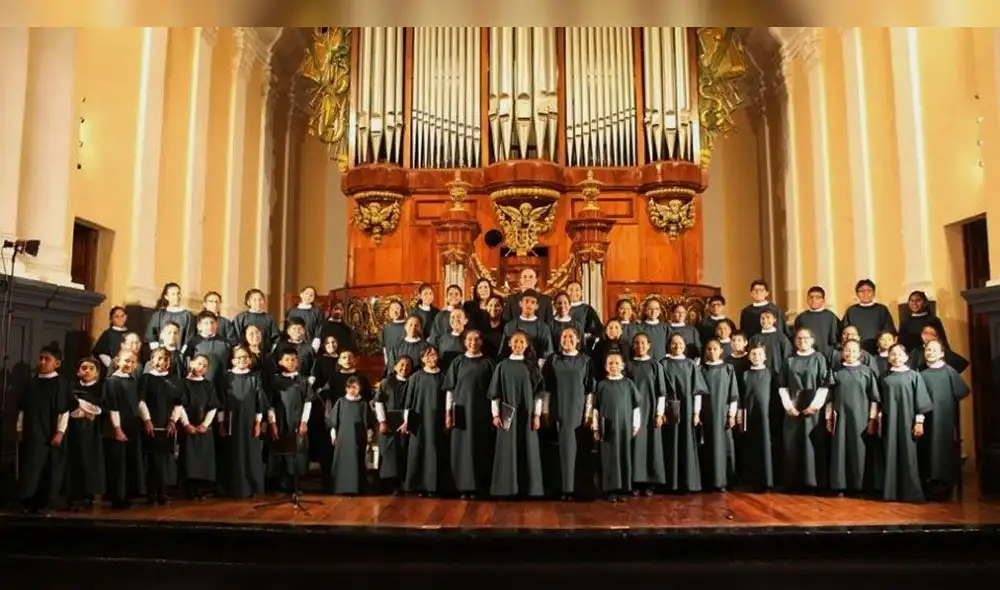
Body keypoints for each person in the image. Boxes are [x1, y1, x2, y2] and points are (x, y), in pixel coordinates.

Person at [15, 343, 74, 514]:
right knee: (30, 468)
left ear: (57, 363)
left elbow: (64, 411)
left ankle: (46, 501)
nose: (42, 362)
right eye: (40, 358)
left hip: (51, 432)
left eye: (47, 359)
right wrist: (19, 430)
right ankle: (27, 500)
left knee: (49, 467)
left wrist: (60, 432)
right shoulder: (32, 384)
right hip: (32, 432)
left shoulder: (62, 384)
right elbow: (23, 409)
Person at [489, 331, 545, 498]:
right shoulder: (502, 366)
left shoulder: (533, 367)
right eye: (515, 342)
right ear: (509, 344)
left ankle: (530, 489)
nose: (518, 345)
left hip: (528, 415)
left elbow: (539, 394)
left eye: (521, 342)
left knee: (529, 448)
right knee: (507, 449)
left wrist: (537, 415)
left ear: (526, 345)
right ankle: (506, 489)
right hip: (508, 414)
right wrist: (495, 414)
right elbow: (495, 393)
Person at [541, 326, 594, 500]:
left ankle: (575, 488)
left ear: (578, 340)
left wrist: (588, 414)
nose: (568, 340)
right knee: (557, 450)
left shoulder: (585, 361)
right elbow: (546, 388)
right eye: (564, 337)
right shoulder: (552, 360)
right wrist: (546, 411)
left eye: (571, 337)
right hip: (557, 410)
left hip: (577, 411)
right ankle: (559, 488)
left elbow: (589, 390)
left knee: (577, 449)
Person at [778, 328, 832, 492]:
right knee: (793, 445)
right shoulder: (789, 360)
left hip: (812, 410)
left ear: (812, 340)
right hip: (793, 410)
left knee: (811, 445)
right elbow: (782, 385)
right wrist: (788, 406)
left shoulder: (819, 358)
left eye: (806, 338)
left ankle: (814, 482)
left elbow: (824, 385)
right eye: (799, 338)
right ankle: (794, 483)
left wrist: (814, 407)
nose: (802, 341)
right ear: (795, 341)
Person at [445, 331, 497, 499]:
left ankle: (479, 487)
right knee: (461, 448)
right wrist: (448, 413)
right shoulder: (457, 362)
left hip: (481, 411)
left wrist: (494, 414)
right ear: (464, 342)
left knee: (480, 447)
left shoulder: (489, 363)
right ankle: (462, 487)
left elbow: (495, 392)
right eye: (469, 339)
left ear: (481, 342)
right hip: (460, 410)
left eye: (476, 339)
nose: (473, 342)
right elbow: (450, 390)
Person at [878, 344, 932, 503]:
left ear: (906, 357)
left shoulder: (914, 375)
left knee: (909, 456)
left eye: (900, 354)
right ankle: (891, 493)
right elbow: (879, 400)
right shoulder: (884, 377)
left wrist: (919, 422)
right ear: (888, 357)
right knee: (890, 454)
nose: (896, 357)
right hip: (890, 422)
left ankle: (912, 493)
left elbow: (921, 400)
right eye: (892, 354)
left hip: (908, 421)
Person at [918, 339, 971, 501]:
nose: (930, 353)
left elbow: (962, 391)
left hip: (945, 417)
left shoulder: (949, 372)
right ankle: (929, 482)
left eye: (934, 350)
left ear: (942, 353)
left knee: (943, 448)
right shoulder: (921, 374)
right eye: (928, 350)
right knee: (928, 448)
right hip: (927, 418)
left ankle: (945, 482)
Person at [828, 340, 880, 497]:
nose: (850, 354)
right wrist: (828, 418)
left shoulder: (867, 372)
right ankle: (840, 485)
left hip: (861, 418)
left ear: (860, 353)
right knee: (840, 449)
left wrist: (872, 419)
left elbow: (874, 398)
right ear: (843, 352)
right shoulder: (836, 372)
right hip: (841, 417)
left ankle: (859, 485)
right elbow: (829, 397)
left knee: (859, 451)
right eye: (847, 351)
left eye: (854, 351)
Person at [218, 346, 267, 499]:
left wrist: (258, 423)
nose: (242, 360)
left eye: (245, 357)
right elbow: (220, 402)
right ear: (233, 360)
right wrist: (220, 423)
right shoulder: (227, 378)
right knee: (232, 454)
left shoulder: (254, 378)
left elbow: (260, 402)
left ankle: (251, 487)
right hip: (231, 420)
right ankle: (231, 488)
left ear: (250, 360)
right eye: (238, 357)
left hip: (249, 421)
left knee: (250, 454)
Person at [660, 333, 707, 492]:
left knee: (686, 442)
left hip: (687, 409)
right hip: (669, 409)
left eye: (680, 343)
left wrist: (696, 413)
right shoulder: (663, 364)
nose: (677, 346)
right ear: (669, 346)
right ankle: (670, 483)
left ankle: (687, 483)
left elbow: (697, 391)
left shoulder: (691, 364)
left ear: (684, 346)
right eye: (673, 343)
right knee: (670, 443)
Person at [592, 351, 641, 501]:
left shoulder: (628, 384)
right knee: (608, 457)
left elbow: (636, 406)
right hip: (607, 426)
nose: (614, 366)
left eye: (617, 363)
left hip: (624, 426)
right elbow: (596, 408)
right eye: (610, 363)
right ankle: (610, 489)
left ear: (623, 366)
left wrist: (635, 425)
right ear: (606, 367)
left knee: (624, 455)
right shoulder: (601, 385)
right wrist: (595, 427)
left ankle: (624, 489)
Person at [265, 348, 314, 492]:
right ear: (280, 362)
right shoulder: (274, 380)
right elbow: (270, 403)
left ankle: (296, 483)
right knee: (279, 449)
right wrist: (272, 423)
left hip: (297, 419)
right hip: (280, 420)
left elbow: (308, 401)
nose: (291, 362)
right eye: (287, 359)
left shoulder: (303, 381)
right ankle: (279, 482)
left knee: (298, 450)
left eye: (293, 359)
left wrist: (304, 421)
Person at [140, 348, 183, 504]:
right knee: (152, 460)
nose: (162, 362)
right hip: (151, 423)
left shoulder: (174, 379)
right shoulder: (145, 378)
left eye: (165, 359)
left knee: (165, 460)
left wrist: (173, 420)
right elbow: (141, 400)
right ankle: (151, 494)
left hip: (167, 424)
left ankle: (163, 492)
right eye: (158, 358)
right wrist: (147, 420)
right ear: (151, 360)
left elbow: (178, 403)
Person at [625, 333, 667, 496]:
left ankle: (650, 483)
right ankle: (634, 481)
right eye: (636, 343)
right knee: (634, 446)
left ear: (649, 345)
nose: (640, 346)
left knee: (651, 445)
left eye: (643, 343)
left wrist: (659, 413)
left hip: (650, 411)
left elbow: (661, 391)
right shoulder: (628, 366)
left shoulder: (656, 366)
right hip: (632, 411)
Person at [402, 346, 446, 496]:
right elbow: (409, 400)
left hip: (436, 419)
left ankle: (433, 486)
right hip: (418, 419)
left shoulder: (443, 377)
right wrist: (406, 421)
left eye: (433, 355)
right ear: (422, 359)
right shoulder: (415, 377)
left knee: (434, 450)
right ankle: (418, 485)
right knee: (418, 450)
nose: (431, 358)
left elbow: (448, 399)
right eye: (427, 355)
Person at [104, 350, 146, 509]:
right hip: (120, 425)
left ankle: (129, 494)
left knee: (131, 460)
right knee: (118, 462)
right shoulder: (112, 382)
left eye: (133, 362)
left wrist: (146, 420)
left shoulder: (133, 381)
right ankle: (117, 496)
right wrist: (117, 428)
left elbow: (138, 403)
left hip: (133, 424)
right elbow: (113, 407)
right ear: (117, 361)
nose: (130, 365)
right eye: (126, 361)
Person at [178, 354, 220, 500]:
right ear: (191, 364)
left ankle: (200, 489)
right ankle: (189, 489)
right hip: (188, 426)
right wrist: (186, 424)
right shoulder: (183, 383)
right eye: (199, 364)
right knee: (189, 459)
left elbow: (213, 406)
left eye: (205, 366)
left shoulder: (208, 385)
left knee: (203, 459)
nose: (201, 368)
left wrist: (205, 424)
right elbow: (180, 406)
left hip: (203, 428)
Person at [66, 357, 105, 509]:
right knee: (73, 461)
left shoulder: (101, 388)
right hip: (73, 430)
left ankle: (88, 495)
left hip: (91, 432)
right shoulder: (72, 387)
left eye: (91, 368)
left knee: (89, 461)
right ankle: (74, 494)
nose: (87, 371)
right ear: (78, 371)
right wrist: (82, 409)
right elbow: (70, 407)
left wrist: (83, 406)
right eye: (84, 368)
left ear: (97, 373)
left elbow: (98, 409)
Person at [700, 338, 738, 491]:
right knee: (707, 446)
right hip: (706, 414)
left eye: (715, 348)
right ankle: (707, 481)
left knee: (723, 446)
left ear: (721, 350)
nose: (712, 351)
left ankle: (723, 481)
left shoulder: (728, 368)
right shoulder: (700, 369)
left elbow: (733, 394)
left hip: (722, 414)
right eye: (709, 349)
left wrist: (731, 414)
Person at [328, 376, 375, 495]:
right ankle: (340, 487)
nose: (352, 390)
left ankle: (357, 487)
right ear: (346, 389)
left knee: (357, 461)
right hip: (343, 438)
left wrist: (369, 434)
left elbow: (369, 422)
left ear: (360, 389)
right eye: (350, 387)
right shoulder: (341, 402)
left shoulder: (363, 404)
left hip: (358, 438)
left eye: (355, 387)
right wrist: (334, 434)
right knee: (342, 462)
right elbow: (333, 421)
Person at [738, 343, 775, 491]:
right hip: (750, 415)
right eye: (753, 354)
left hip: (766, 416)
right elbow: (742, 395)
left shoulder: (771, 373)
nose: (756, 357)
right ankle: (752, 480)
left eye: (759, 354)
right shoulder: (745, 374)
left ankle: (767, 481)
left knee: (766, 446)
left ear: (765, 356)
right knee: (751, 446)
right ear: (749, 356)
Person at [374, 356, 412, 495]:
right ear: (395, 367)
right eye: (401, 365)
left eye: (408, 365)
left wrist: (407, 422)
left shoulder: (412, 382)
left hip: (406, 421)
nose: (404, 368)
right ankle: (388, 484)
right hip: (389, 420)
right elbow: (378, 402)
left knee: (404, 452)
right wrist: (382, 422)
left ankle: (402, 484)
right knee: (389, 453)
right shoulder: (386, 382)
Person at [841, 279, 896, 355]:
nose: (865, 293)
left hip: (879, 351)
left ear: (874, 293)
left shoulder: (882, 309)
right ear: (857, 294)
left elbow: (889, 331)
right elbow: (845, 331)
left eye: (869, 290)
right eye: (861, 291)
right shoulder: (851, 311)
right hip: (856, 352)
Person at [184, 310, 233, 395]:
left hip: (221, 385)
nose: (210, 326)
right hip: (199, 386)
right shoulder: (193, 342)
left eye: (212, 322)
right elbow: (188, 362)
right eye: (206, 323)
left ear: (217, 324)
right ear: (199, 326)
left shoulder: (226, 342)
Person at [500, 289, 554, 361]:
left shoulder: (543, 328)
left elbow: (548, 352)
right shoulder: (510, 326)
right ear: (520, 304)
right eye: (526, 301)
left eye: (532, 302)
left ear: (537, 306)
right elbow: (503, 353)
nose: (529, 305)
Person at [144, 282, 197, 350]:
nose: (177, 297)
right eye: (173, 294)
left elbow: (189, 338)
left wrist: (181, 354)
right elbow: (152, 335)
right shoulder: (159, 315)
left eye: (178, 293)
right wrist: (158, 352)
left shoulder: (188, 315)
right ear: (166, 297)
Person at [794, 286, 840, 357]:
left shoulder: (831, 316)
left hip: (827, 356)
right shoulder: (801, 318)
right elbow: (796, 339)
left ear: (823, 300)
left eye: (817, 297)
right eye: (811, 297)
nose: (814, 300)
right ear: (807, 299)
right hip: (806, 356)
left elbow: (837, 338)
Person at [751, 309, 792, 375]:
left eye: (768, 317)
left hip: (778, 375)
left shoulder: (781, 337)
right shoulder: (755, 338)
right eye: (762, 318)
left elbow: (787, 358)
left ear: (774, 319)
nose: (765, 320)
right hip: (760, 374)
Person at [566, 281, 603, 351]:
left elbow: (597, 329)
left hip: (583, 346)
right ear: (566, 291)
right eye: (571, 290)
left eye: (577, 290)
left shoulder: (587, 309)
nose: (574, 293)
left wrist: (585, 336)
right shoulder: (561, 308)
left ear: (581, 292)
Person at [92, 306, 129, 375]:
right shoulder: (108, 334)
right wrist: (113, 366)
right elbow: (101, 352)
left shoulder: (130, 334)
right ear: (111, 319)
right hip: (113, 371)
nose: (120, 319)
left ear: (126, 317)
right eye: (116, 316)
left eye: (122, 316)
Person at [380, 299, 407, 369]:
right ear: (389, 312)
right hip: (391, 364)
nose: (395, 312)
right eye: (392, 309)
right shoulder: (386, 328)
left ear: (403, 310)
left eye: (397, 308)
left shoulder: (408, 326)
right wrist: (387, 362)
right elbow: (384, 347)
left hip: (406, 365)